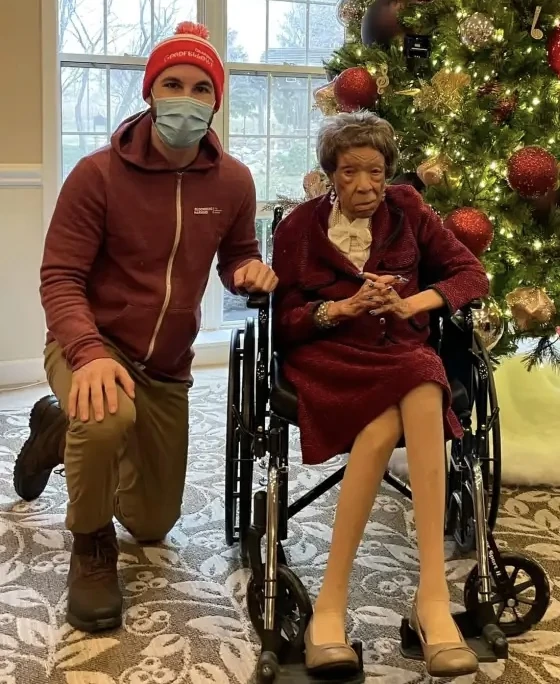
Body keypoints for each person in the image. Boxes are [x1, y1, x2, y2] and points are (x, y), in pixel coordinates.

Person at [13, 21, 277, 634]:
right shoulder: (98, 174)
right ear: (150, 93)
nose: (186, 99)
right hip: (91, 344)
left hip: (166, 365)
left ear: (216, 100)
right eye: (172, 84)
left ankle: (56, 432)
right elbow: (60, 276)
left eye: (200, 88)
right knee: (105, 415)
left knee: (153, 522)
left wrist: (248, 273)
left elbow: (236, 255)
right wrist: (86, 352)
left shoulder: (234, 181)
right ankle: (91, 546)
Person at [271, 111, 489, 678]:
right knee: (414, 391)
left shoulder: (409, 211)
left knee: (421, 379)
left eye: (376, 172)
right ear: (330, 175)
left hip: (398, 348)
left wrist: (411, 303)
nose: (365, 185)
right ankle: (427, 608)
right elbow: (285, 323)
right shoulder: (297, 229)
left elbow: (471, 276)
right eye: (350, 172)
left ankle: (360, 604)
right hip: (329, 358)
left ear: (389, 173)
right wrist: (339, 309)